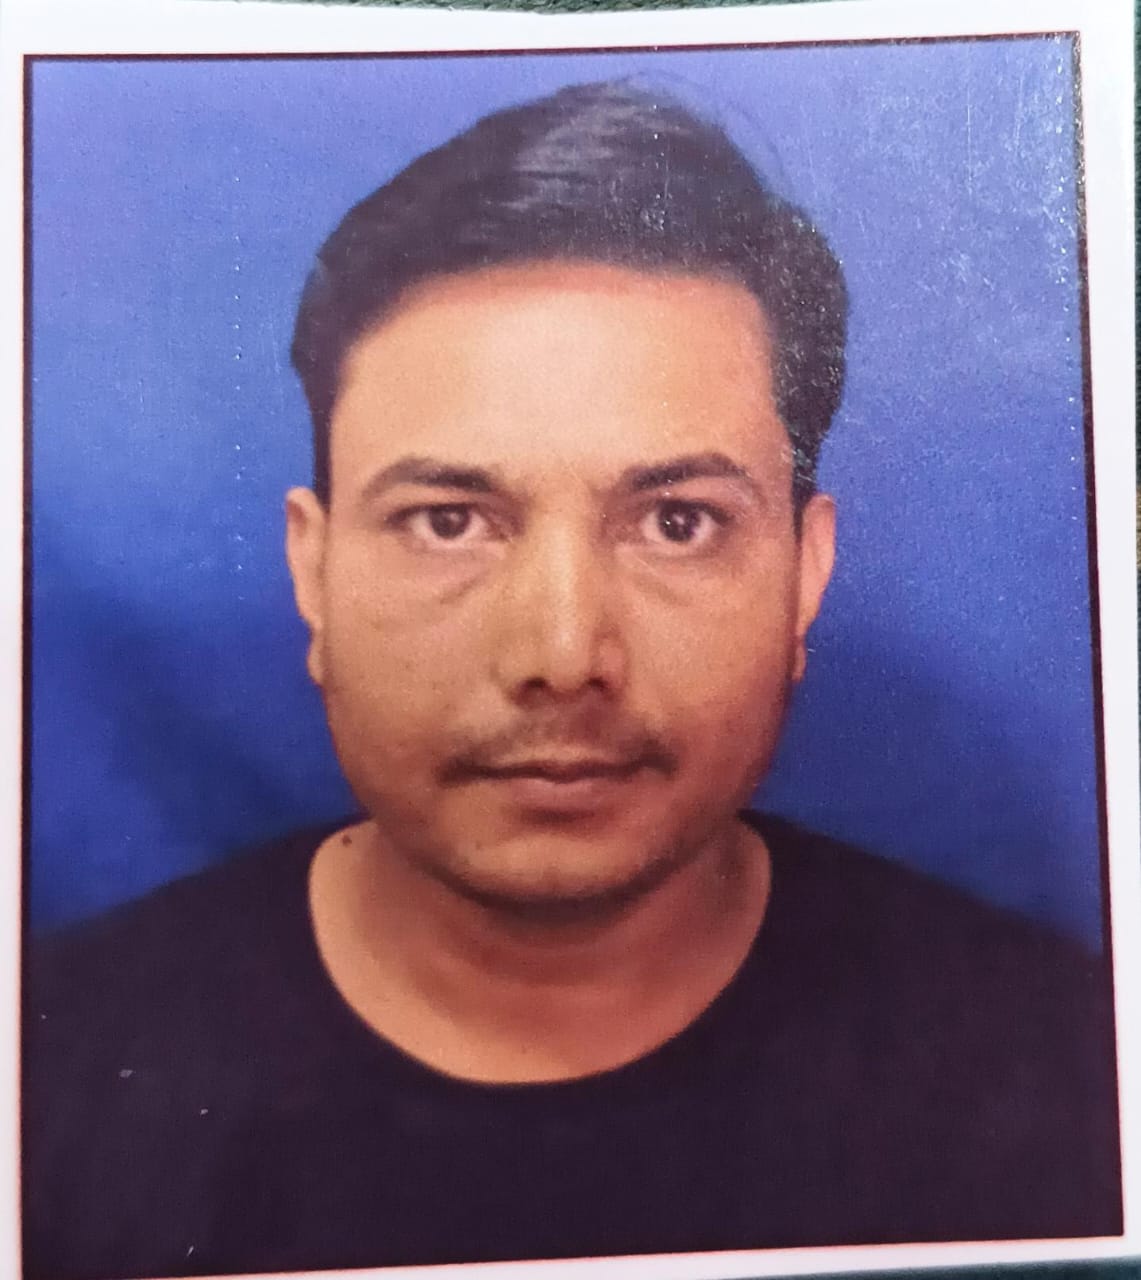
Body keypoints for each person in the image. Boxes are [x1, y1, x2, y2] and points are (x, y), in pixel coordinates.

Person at [23, 81, 1121, 1280]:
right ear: (313, 570)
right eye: (448, 520)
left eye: (677, 521)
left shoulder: (1076, 1073)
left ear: (805, 575)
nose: (559, 655)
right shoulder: (44, 1078)